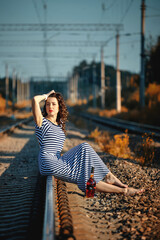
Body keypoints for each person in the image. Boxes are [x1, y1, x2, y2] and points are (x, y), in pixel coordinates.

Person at [32, 90, 144, 196]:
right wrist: (46, 95)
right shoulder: (42, 122)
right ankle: (113, 181)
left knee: (85, 161)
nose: (50, 107)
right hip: (48, 162)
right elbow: (35, 99)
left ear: (59, 107)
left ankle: (119, 187)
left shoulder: (59, 124)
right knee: (84, 156)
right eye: (48, 104)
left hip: (57, 160)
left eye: (53, 104)